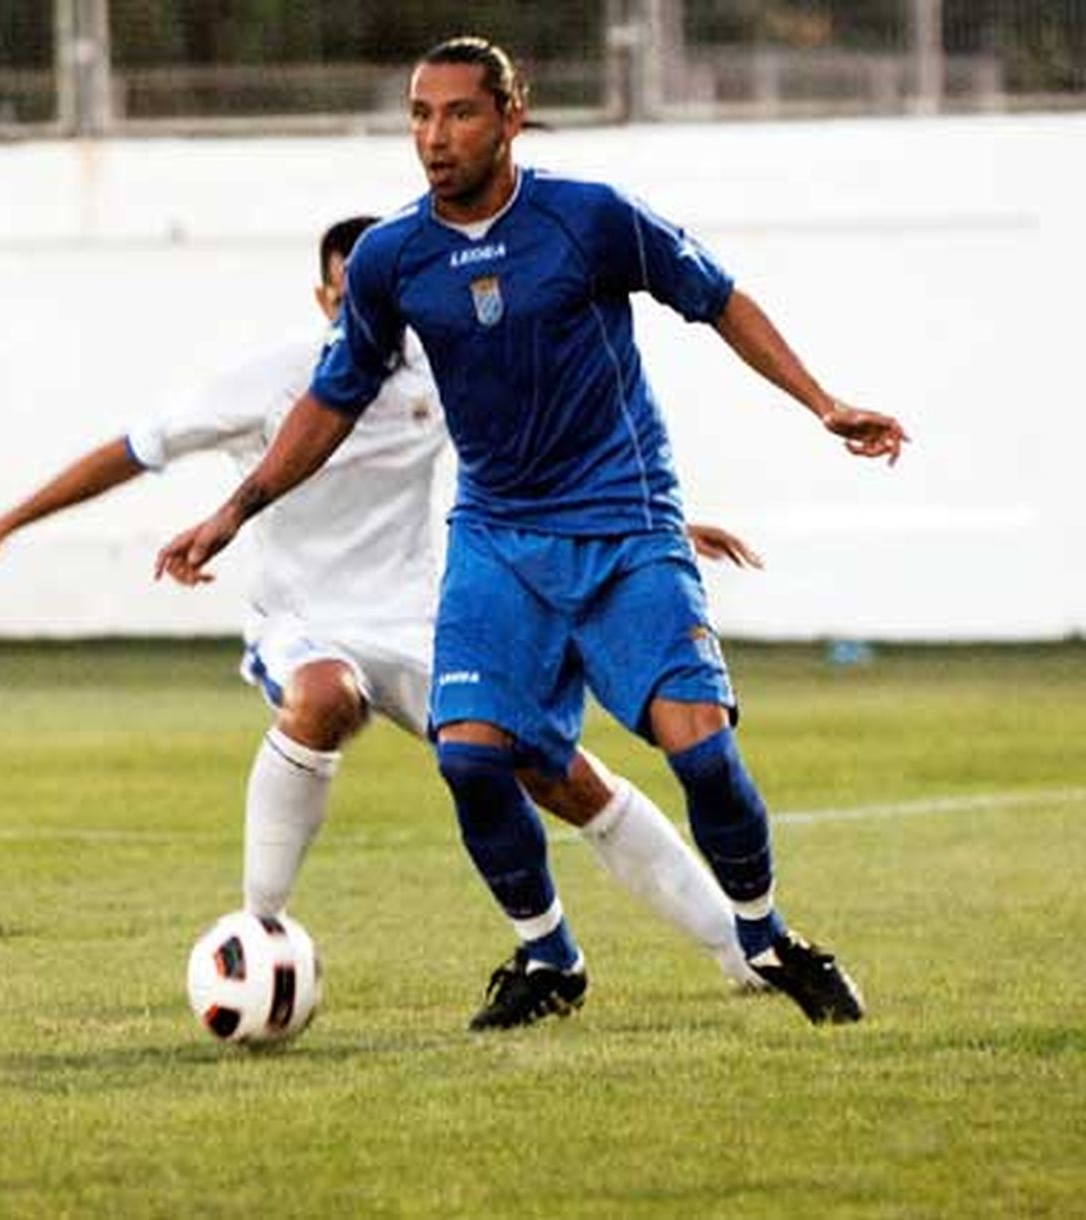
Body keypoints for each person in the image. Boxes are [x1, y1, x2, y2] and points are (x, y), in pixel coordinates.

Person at [156, 37, 909, 1029]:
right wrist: (233, 508)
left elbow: (717, 298)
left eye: (459, 113)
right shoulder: (391, 257)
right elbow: (331, 399)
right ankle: (548, 955)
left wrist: (822, 403)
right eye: (419, 115)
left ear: (511, 117)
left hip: (622, 525)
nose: (434, 137)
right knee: (470, 755)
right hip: (496, 539)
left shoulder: (587, 218)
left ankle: (769, 936)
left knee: (702, 755)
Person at [0, 214, 771, 1001]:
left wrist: (656, 522)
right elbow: (136, 451)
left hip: (425, 621)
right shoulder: (275, 379)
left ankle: (738, 952)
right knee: (324, 695)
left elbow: (537, 458)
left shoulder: (444, 371)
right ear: (330, 296)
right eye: (348, 289)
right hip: (306, 621)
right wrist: (2, 526)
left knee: (564, 776)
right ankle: (260, 926)